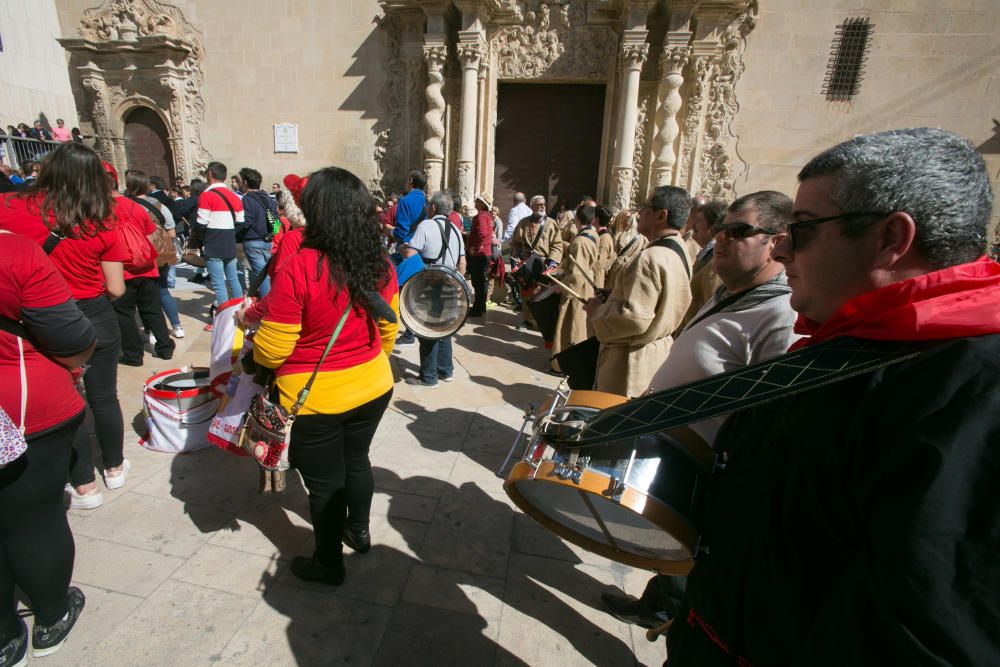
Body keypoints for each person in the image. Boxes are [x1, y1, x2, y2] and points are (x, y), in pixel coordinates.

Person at [666, 128, 1000, 666]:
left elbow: (925, 632)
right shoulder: (855, 345)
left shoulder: (975, 396)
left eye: (802, 231)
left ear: (891, 239)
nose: (784, 250)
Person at [600, 192, 800, 629]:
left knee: (691, 577)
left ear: (777, 243)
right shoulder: (732, 290)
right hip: (674, 447)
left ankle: (676, 618)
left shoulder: (781, 316)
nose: (720, 238)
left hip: (705, 472)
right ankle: (659, 604)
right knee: (672, 559)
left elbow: (765, 419)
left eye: (739, 231)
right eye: (722, 228)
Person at [243, 166, 399, 587]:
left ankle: (328, 563)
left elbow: (273, 349)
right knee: (357, 461)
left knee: (324, 485)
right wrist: (365, 362)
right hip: (374, 386)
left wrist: (254, 351)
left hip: (316, 400)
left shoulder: (300, 267)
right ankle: (360, 532)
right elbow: (389, 329)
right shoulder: (381, 263)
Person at [0, 143, 129, 510]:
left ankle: (85, 484)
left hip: (34, 321)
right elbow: (117, 289)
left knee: (66, 399)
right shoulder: (102, 220)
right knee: (103, 396)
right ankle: (115, 468)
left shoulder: (9, 207)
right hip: (93, 315)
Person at [0, 231, 96, 663]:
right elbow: (70, 336)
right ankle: (52, 617)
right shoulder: (12, 249)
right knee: (34, 519)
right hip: (21, 405)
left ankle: (4, 638)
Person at [584, 186, 692, 398]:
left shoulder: (649, 257)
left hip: (631, 364)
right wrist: (615, 294)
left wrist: (598, 310)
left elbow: (633, 319)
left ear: (661, 215)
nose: (639, 213)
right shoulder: (680, 248)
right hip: (657, 354)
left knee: (615, 424)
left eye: (645, 207)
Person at [401, 190, 466, 388]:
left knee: (428, 329)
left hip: (428, 284)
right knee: (445, 327)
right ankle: (446, 371)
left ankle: (429, 377)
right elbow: (462, 263)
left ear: (434, 208)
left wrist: (404, 247)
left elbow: (410, 255)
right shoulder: (456, 230)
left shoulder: (426, 225)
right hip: (450, 283)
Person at [114, 170, 179, 360]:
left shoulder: (102, 208)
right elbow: (155, 231)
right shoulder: (140, 207)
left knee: (124, 313)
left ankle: (133, 354)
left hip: (122, 267)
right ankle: (165, 346)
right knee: (153, 308)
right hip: (147, 265)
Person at [196, 161, 244, 331]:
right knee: (233, 279)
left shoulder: (206, 195)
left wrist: (198, 241)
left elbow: (201, 223)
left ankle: (223, 319)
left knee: (218, 282)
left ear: (209, 174)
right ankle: (240, 313)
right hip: (229, 241)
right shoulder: (234, 196)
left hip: (213, 242)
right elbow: (240, 222)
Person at [552, 204, 600, 369]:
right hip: (587, 285)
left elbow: (577, 274)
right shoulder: (594, 234)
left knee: (571, 328)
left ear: (577, 219)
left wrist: (562, 287)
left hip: (576, 291)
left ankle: (563, 364)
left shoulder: (581, 241)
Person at [510, 195, 564, 329]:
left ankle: (541, 321)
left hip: (543, 263)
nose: (542, 207)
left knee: (541, 293)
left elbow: (557, 245)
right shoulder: (523, 223)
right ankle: (529, 321)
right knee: (526, 292)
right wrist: (516, 257)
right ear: (532, 206)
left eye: (544, 204)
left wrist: (552, 263)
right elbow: (516, 242)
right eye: (539, 204)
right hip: (526, 262)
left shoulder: (551, 224)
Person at [676, 199, 727, 331]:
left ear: (712, 226)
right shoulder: (706, 255)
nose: (693, 226)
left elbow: (711, 308)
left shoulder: (716, 264)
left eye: (698, 221)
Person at [237, 167, 279, 296]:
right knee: (262, 272)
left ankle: (266, 304)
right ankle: (256, 297)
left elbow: (247, 221)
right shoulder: (268, 198)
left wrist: (236, 232)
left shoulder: (247, 200)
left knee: (261, 275)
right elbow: (276, 222)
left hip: (253, 240)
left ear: (244, 182)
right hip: (267, 240)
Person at [467, 193, 495, 318]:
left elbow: (482, 234)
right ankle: (481, 306)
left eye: (477, 200)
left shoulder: (481, 217)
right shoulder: (488, 216)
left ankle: (478, 308)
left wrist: (474, 247)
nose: (475, 201)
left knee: (478, 282)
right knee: (481, 282)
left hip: (479, 254)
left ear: (482, 204)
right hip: (485, 253)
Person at [605, 209, 645, 292]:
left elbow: (614, 253)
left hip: (618, 266)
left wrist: (607, 267)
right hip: (631, 268)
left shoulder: (621, 236)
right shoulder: (643, 238)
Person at [390, 170, 427, 246]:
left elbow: (401, 233)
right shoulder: (427, 203)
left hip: (406, 249)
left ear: (411, 180)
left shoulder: (405, 201)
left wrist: (389, 231)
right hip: (422, 248)